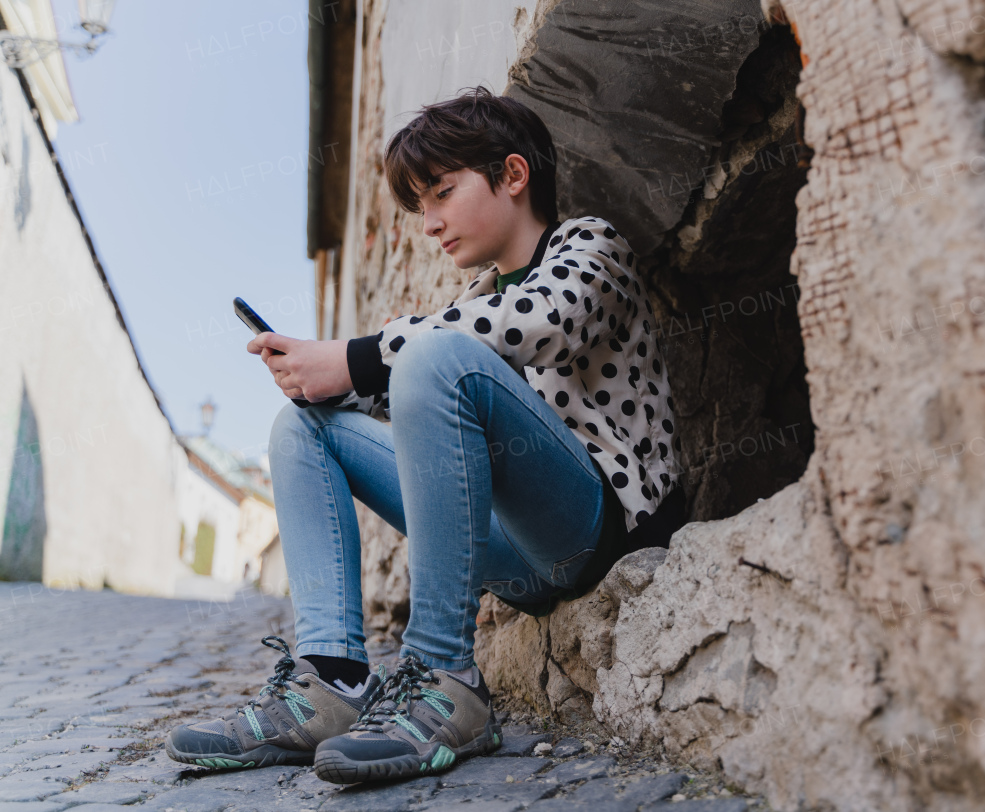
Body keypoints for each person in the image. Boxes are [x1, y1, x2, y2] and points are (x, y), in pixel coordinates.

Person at [164, 86, 685, 784]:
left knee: (433, 355)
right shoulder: (468, 309)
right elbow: (413, 411)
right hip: (512, 554)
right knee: (303, 426)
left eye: (442, 192)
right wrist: (323, 376)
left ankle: (447, 676)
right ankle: (330, 683)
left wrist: (355, 354)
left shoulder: (591, 245)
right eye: (420, 207)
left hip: (595, 526)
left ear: (512, 175)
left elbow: (542, 322)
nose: (430, 223)